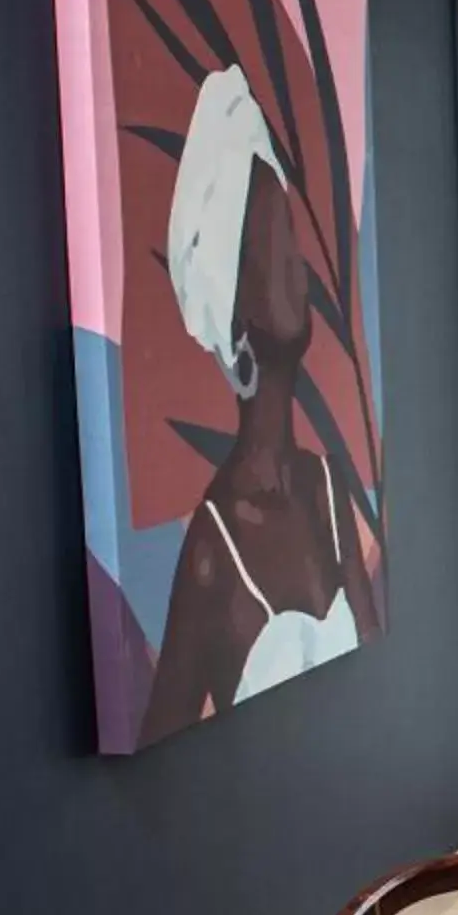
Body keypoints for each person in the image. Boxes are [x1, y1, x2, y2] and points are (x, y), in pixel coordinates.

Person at [138, 66, 381, 741]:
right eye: (267, 246)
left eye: (288, 239)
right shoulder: (215, 550)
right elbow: (160, 736)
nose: (294, 264)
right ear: (232, 304)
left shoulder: (329, 486)